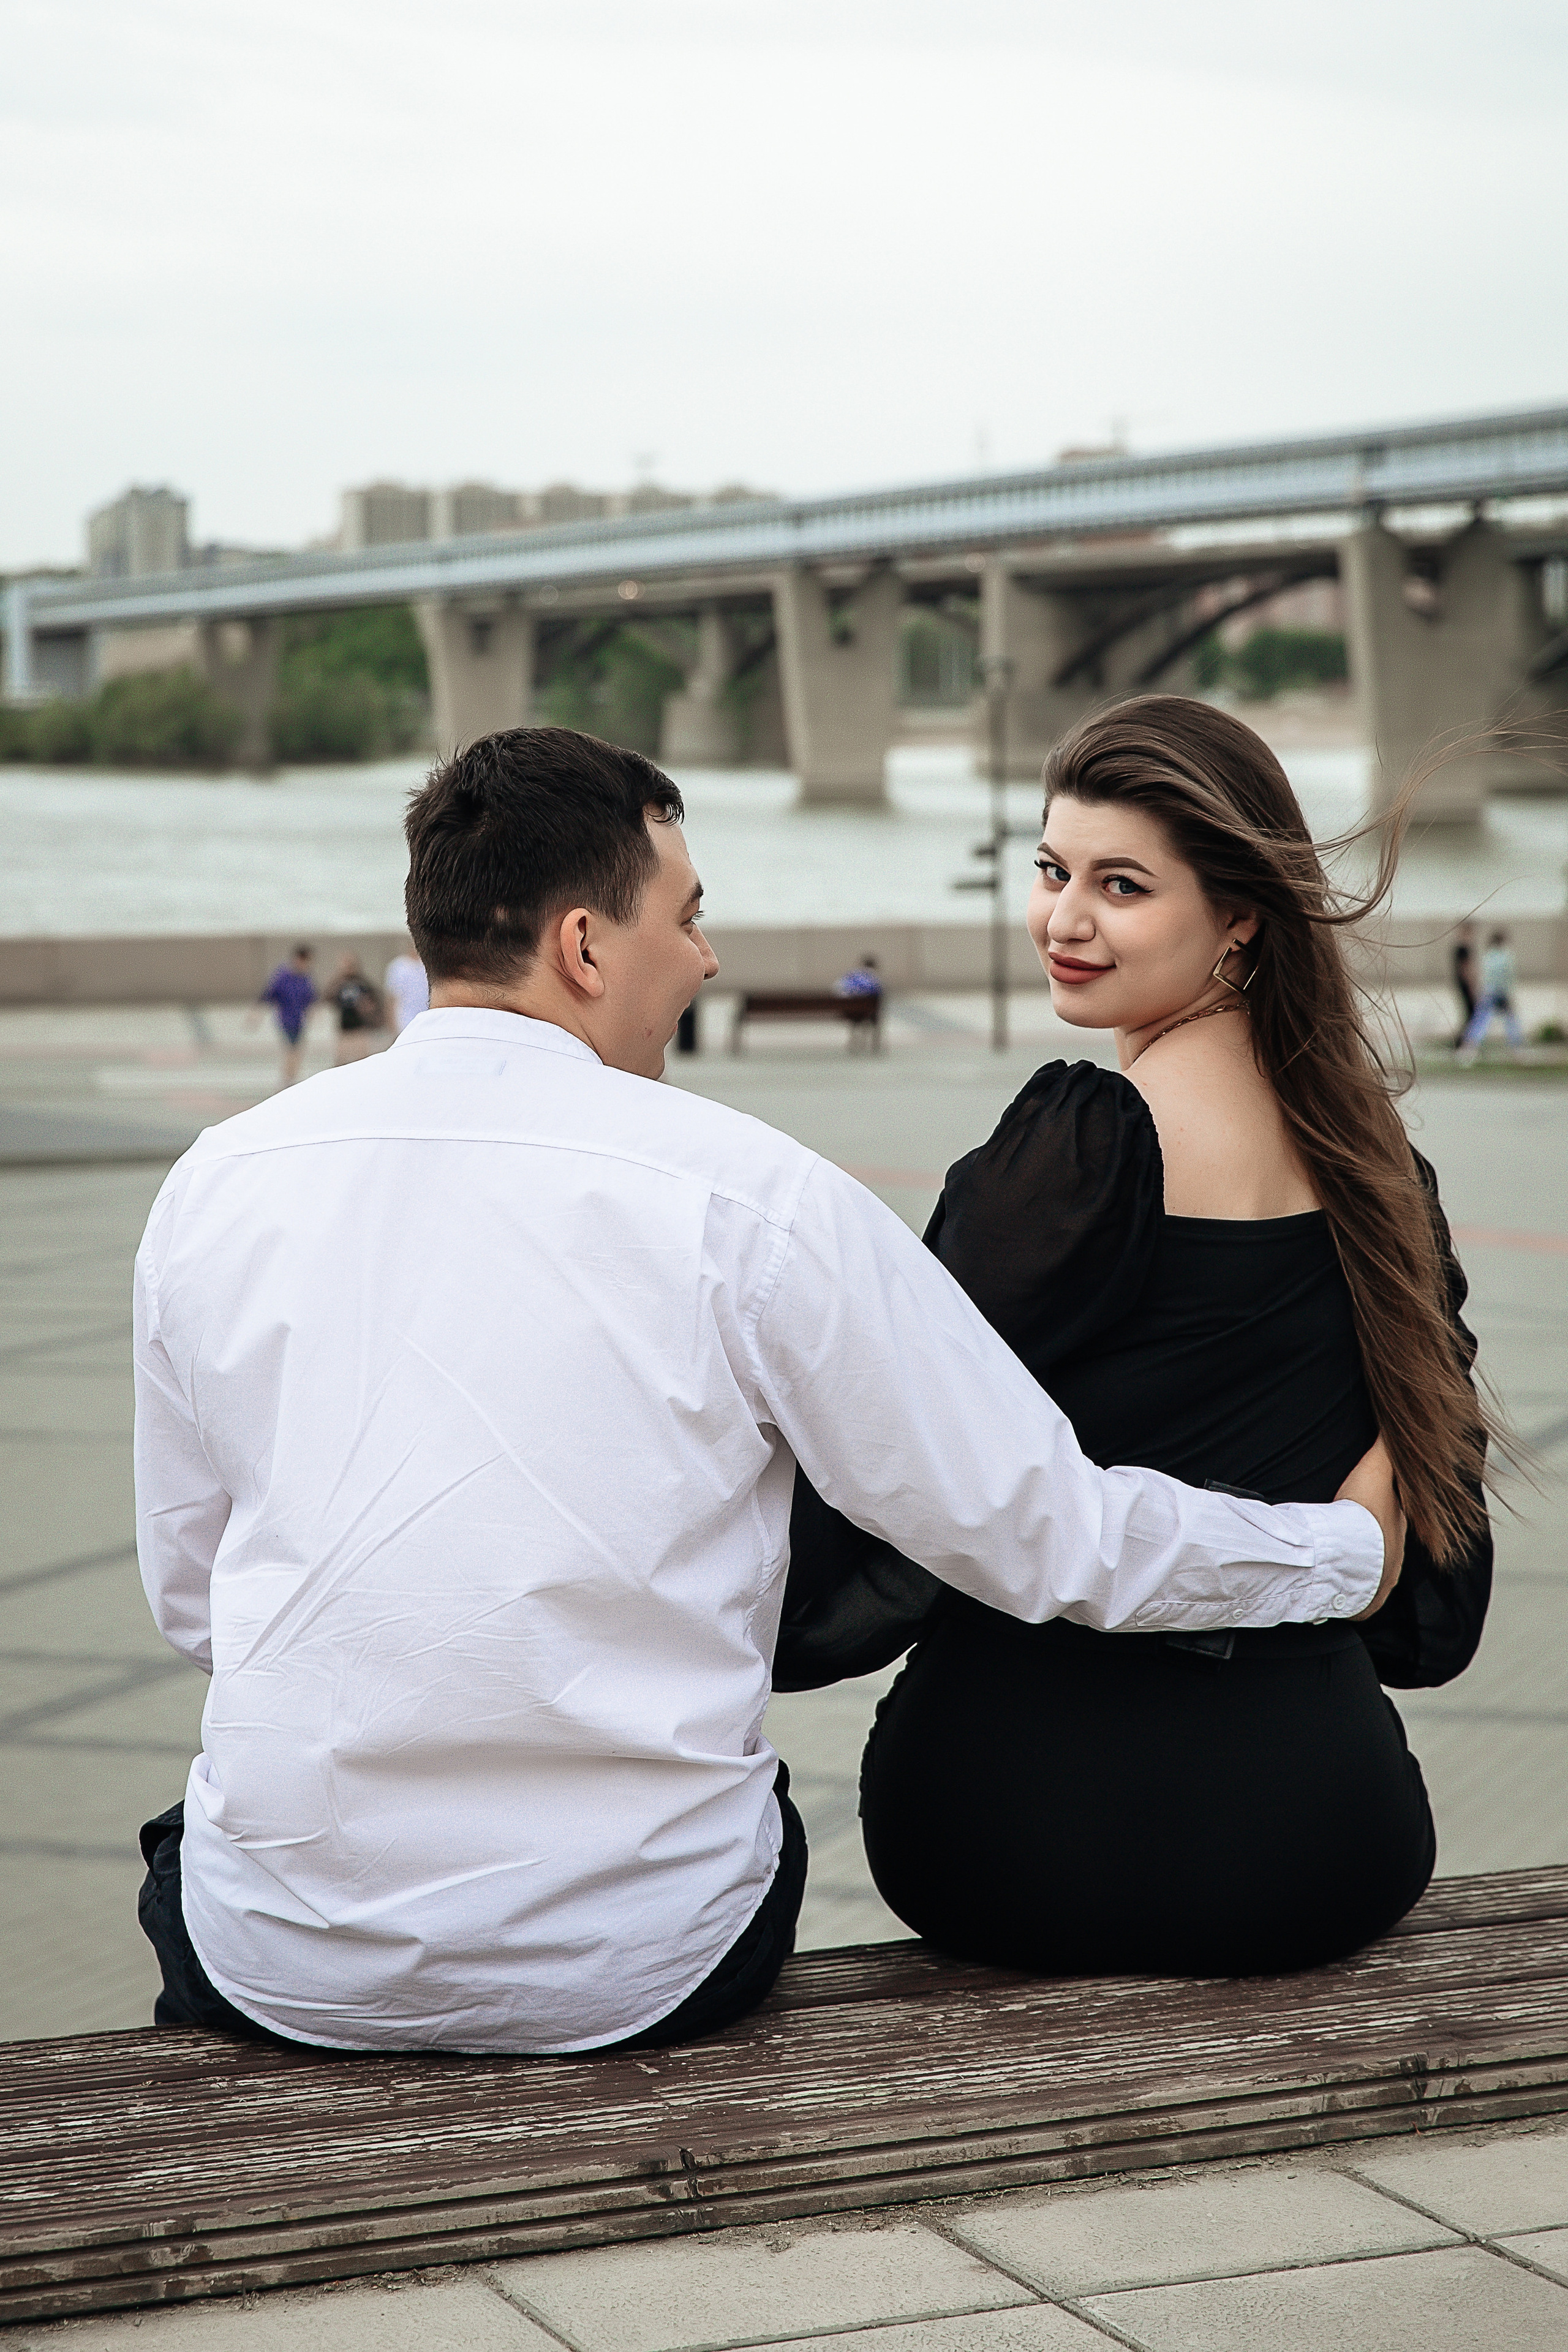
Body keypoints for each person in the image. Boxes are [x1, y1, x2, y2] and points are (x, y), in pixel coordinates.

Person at [132, 726, 1398, 2060]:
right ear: (582, 948)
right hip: (642, 1961)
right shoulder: (756, 1199)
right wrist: (1341, 1551)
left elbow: (192, 1595)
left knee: (207, 1849)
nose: (706, 956)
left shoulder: (218, 1181)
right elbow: (1047, 1534)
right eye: (686, 915)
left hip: (282, 1955)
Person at [781, 696, 1496, 1979]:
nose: (1062, 919)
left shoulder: (1077, 1147)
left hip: (1009, 1836)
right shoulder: (1373, 1162)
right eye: (1050, 871)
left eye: (1119, 885)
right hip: (1317, 1842)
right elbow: (1429, 1589)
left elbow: (885, 1481)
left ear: (1236, 918)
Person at [249, 945, 315, 1088]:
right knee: (292, 1051)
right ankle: (288, 1081)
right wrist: (257, 1013)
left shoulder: (305, 978)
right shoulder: (283, 976)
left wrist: (312, 1013)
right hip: (286, 1019)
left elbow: (310, 999)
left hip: (299, 1020)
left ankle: (291, 1079)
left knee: (297, 1051)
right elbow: (269, 994)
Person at [1459, 927, 1524, 1058]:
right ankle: (1517, 1047)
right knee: (1510, 1020)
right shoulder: (1506, 955)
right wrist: (1508, 992)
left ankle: (1470, 1045)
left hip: (1489, 991)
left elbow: (1485, 975)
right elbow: (1509, 976)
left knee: (1481, 1019)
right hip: (1501, 991)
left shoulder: (1488, 955)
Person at [326, 953, 386, 1065]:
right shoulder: (339, 983)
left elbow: (375, 999)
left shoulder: (362, 983)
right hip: (344, 1028)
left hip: (360, 1027)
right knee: (340, 1063)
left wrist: (367, 1007)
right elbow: (328, 998)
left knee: (362, 1062)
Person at [384, 946, 429, 1036]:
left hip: (426, 1020)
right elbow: (391, 998)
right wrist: (392, 1025)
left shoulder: (428, 965)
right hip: (404, 1021)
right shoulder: (398, 967)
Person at [1450, 921, 1477, 1049]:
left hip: (1462, 984)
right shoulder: (1463, 949)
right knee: (1471, 1014)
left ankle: (1463, 1041)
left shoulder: (1461, 948)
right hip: (1465, 985)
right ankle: (1461, 1042)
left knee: (1469, 1014)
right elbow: (1465, 970)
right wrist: (1472, 987)